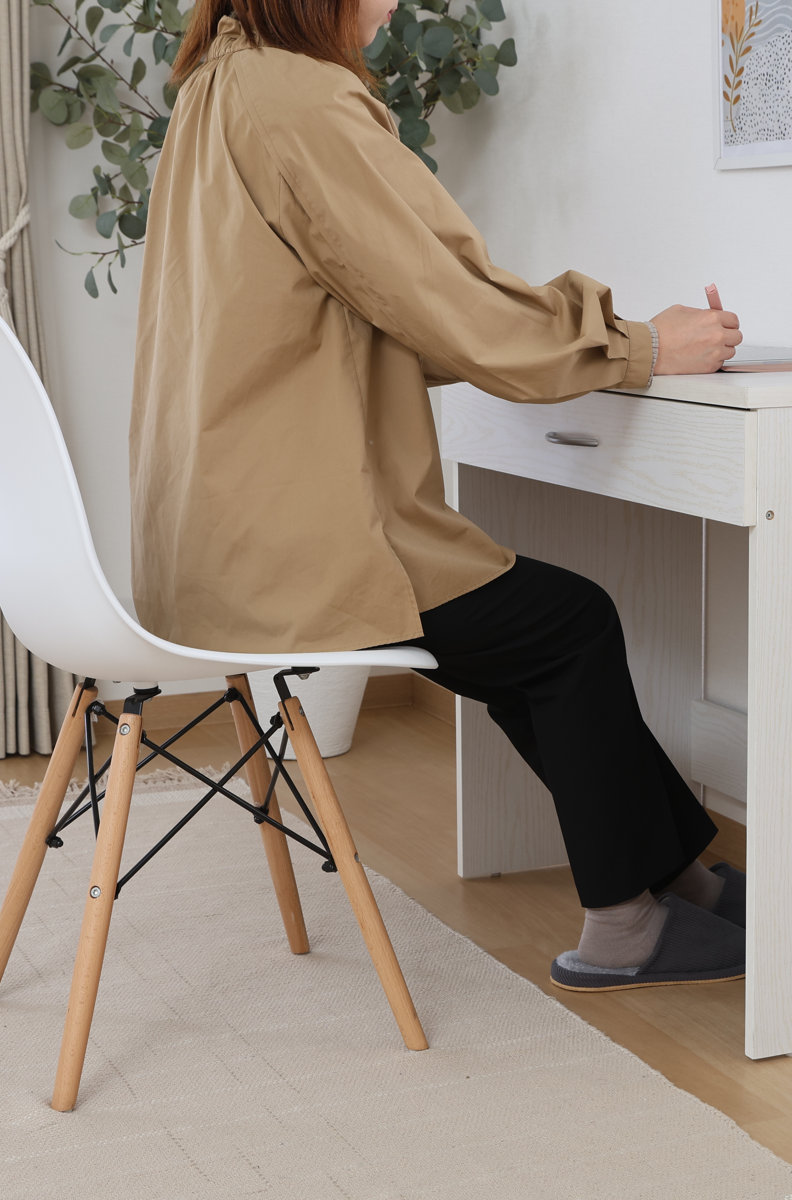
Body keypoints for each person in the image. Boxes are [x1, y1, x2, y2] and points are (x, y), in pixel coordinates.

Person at [130, 0, 747, 992]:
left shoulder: (217, 85)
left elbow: (375, 304)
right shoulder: (302, 99)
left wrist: (595, 342)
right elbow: (446, 297)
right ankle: (626, 926)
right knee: (568, 628)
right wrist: (640, 345)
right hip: (302, 537)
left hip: (217, 532)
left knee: (533, 640)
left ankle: (683, 882)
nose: (392, 4)